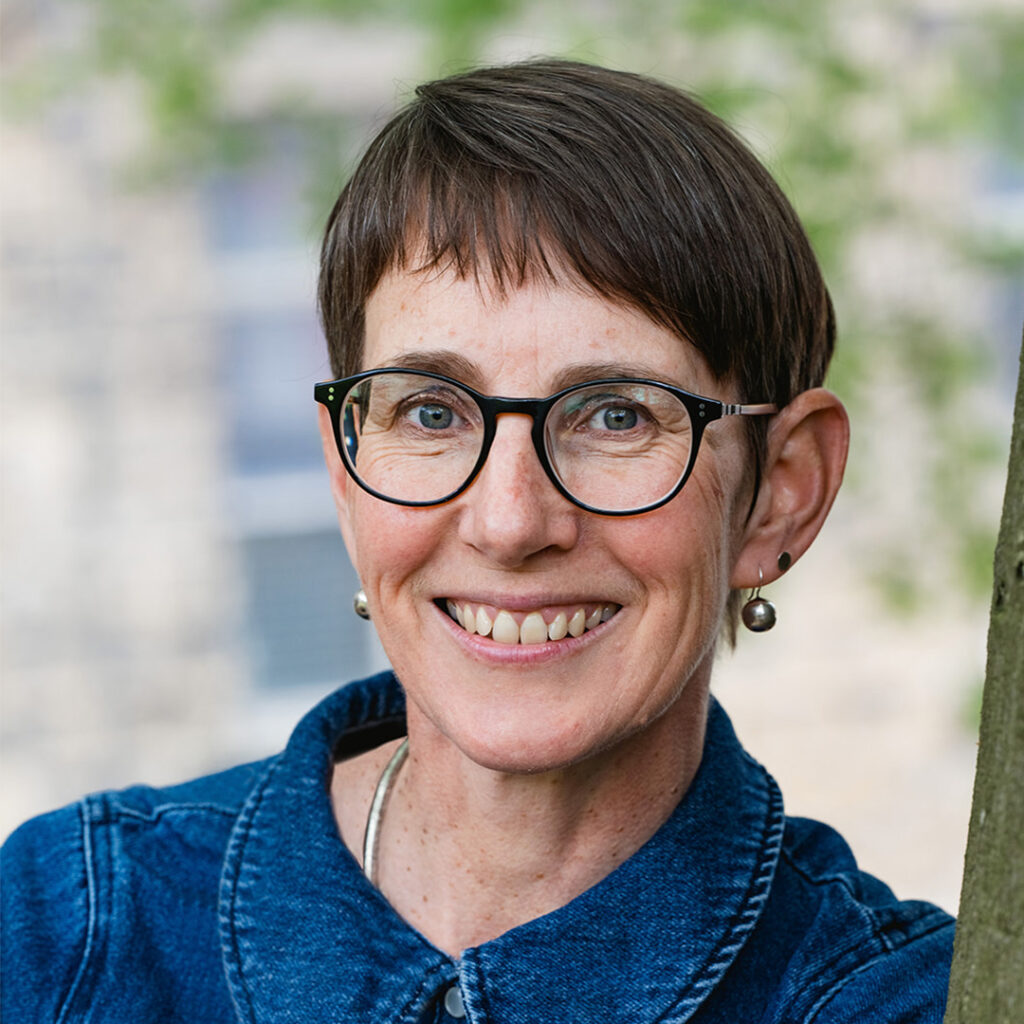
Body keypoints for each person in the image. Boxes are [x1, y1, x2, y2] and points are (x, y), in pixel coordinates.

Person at [2, 59, 954, 1022]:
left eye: (616, 415)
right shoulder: (66, 934)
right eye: (430, 412)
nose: (509, 523)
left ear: (782, 493)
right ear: (344, 469)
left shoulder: (906, 1004)